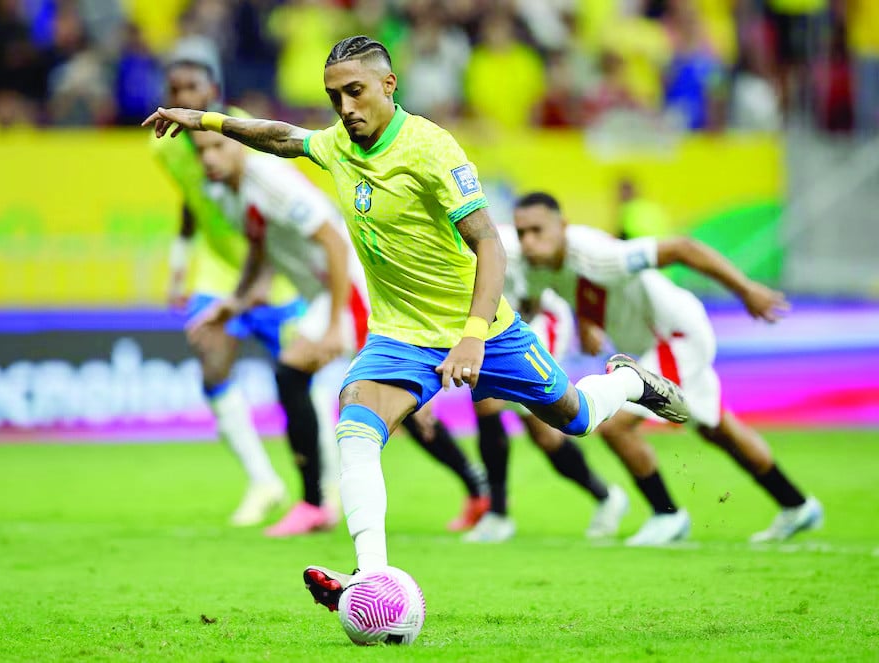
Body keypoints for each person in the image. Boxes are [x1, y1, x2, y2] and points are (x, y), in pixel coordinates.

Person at [143, 35, 688, 612]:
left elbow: (491, 247)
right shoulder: (338, 144)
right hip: (399, 335)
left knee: (573, 417)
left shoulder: (432, 148)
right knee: (355, 430)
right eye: (335, 98)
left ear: (388, 85)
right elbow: (280, 136)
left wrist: (473, 335)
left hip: (484, 330)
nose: (346, 108)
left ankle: (630, 381)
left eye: (355, 92)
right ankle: (371, 579)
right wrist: (204, 119)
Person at [512, 191, 824, 545]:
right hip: (654, 344)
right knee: (716, 428)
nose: (529, 242)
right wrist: (586, 323)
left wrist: (746, 289)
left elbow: (682, 248)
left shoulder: (597, 255)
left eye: (538, 231)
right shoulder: (538, 265)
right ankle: (796, 504)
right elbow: (555, 293)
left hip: (672, 337)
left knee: (614, 424)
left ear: (563, 226)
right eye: (522, 233)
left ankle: (667, 516)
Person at [154, 40, 310, 527]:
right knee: (212, 362)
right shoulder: (164, 146)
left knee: (300, 379)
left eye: (192, 88)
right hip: (220, 270)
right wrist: (180, 266)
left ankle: (320, 488)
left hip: (276, 269)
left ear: (213, 91)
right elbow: (190, 203)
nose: (183, 96)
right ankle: (263, 480)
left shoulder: (242, 130)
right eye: (175, 88)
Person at [465, 225, 629, 543]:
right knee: (508, 417)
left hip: (535, 322)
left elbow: (540, 294)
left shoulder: (499, 243)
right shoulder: (435, 250)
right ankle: (500, 513)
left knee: (537, 427)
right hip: (492, 327)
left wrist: (588, 320)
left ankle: (603, 497)